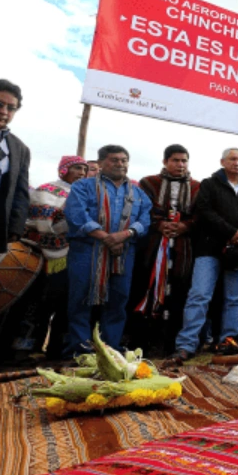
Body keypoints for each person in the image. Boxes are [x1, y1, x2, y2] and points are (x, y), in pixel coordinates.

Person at [168, 148, 238, 364]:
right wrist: (230, 232)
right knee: (199, 296)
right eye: (232, 159)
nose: (236, 163)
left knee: (235, 299)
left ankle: (228, 340)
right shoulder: (209, 185)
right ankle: (186, 345)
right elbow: (204, 211)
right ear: (223, 162)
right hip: (209, 250)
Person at [63, 145, 152, 355]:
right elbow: (77, 216)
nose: (120, 164)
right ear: (101, 163)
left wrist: (125, 235)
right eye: (114, 160)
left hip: (123, 252)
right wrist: (107, 237)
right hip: (87, 250)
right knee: (81, 300)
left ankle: (111, 350)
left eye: (123, 160)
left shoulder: (138, 193)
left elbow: (145, 220)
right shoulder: (82, 187)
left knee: (118, 302)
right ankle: (81, 350)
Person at [10, 156, 88, 359]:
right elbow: (43, 220)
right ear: (63, 170)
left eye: (84, 169)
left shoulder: (85, 192)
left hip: (70, 256)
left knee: (63, 303)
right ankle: (25, 348)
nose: (81, 173)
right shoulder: (46, 190)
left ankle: (57, 349)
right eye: (77, 168)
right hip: (38, 254)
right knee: (36, 303)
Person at [132, 144, 201, 355]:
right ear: (165, 162)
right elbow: (142, 209)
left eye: (184, 161)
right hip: (153, 246)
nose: (180, 165)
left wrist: (185, 226)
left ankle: (172, 343)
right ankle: (141, 342)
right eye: (175, 160)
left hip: (183, 247)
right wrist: (160, 224)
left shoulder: (198, 187)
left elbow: (201, 214)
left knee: (180, 292)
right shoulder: (149, 183)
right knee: (147, 288)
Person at [0, 79, 30, 266]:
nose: (4, 112)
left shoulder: (19, 148)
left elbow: (20, 192)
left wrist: (15, 227)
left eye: (11, 108)